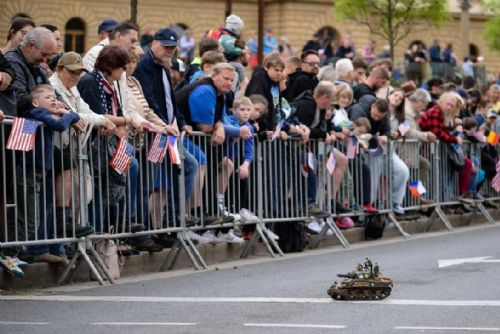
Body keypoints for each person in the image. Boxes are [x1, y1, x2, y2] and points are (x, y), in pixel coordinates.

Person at [132, 28, 201, 245]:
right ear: (154, 43)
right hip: (156, 132)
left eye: (172, 47)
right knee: (148, 182)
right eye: (165, 46)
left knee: (187, 166)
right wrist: (164, 125)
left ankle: (171, 223)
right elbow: (149, 100)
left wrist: (181, 122)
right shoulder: (145, 66)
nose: (169, 51)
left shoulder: (163, 65)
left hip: (168, 132)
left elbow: (170, 100)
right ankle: (146, 232)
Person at [21, 84, 92, 263]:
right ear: (36, 103)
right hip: (29, 170)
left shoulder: (43, 114)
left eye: (54, 96)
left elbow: (71, 116)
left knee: (44, 209)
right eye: (48, 97)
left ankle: (47, 244)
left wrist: (67, 114)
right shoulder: (35, 113)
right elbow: (60, 125)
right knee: (31, 215)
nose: (53, 99)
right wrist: (67, 116)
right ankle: (26, 250)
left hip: (42, 171)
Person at [176, 63, 243, 243]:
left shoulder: (220, 93)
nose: (229, 83)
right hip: (179, 133)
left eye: (232, 80)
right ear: (214, 76)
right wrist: (229, 130)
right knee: (199, 161)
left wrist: (220, 127)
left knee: (215, 162)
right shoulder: (205, 90)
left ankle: (207, 211)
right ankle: (194, 214)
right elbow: (205, 127)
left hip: (190, 136)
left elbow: (218, 120)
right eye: (225, 78)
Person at [292, 81, 348, 215]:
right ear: (324, 98)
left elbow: (321, 128)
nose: (332, 104)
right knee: (310, 166)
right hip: (292, 147)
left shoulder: (321, 109)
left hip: (310, 147)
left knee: (321, 166)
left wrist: (331, 133)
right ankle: (308, 203)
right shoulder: (306, 105)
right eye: (332, 99)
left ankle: (324, 201)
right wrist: (324, 135)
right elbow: (304, 128)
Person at [6, 27, 57, 117]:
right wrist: (50, 104)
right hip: (21, 123)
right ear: (31, 46)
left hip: (34, 123)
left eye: (49, 56)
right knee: (27, 132)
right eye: (44, 54)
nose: (45, 60)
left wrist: (64, 108)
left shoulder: (36, 65)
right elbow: (19, 99)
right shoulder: (12, 62)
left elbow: (52, 91)